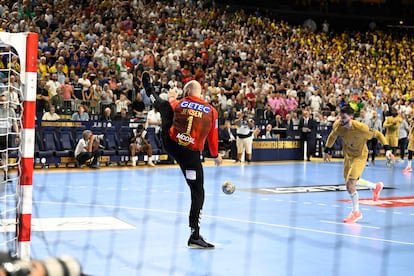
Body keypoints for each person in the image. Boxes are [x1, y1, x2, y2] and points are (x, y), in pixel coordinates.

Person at [142, 72, 221, 249]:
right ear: (200, 93)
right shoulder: (212, 111)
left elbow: (169, 103)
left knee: (163, 106)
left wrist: (170, 97)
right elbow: (212, 138)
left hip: (171, 144)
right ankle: (195, 235)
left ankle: (150, 91)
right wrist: (215, 156)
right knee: (198, 192)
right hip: (190, 155)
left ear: (186, 92)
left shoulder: (178, 102)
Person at [323, 105, 394, 223]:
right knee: (349, 183)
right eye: (340, 117)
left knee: (350, 183)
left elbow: (378, 134)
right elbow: (332, 136)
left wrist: (387, 150)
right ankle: (375, 187)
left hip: (360, 156)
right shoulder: (338, 125)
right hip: (348, 156)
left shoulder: (362, 128)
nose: (341, 120)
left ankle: (356, 212)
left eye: (344, 118)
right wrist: (327, 150)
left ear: (351, 117)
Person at [0, 94, 19, 182]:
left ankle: (6, 175)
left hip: (6, 136)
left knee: (5, 156)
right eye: (1, 101)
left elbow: (14, 123)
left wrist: (17, 135)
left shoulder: (11, 111)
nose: (2, 102)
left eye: (4, 101)